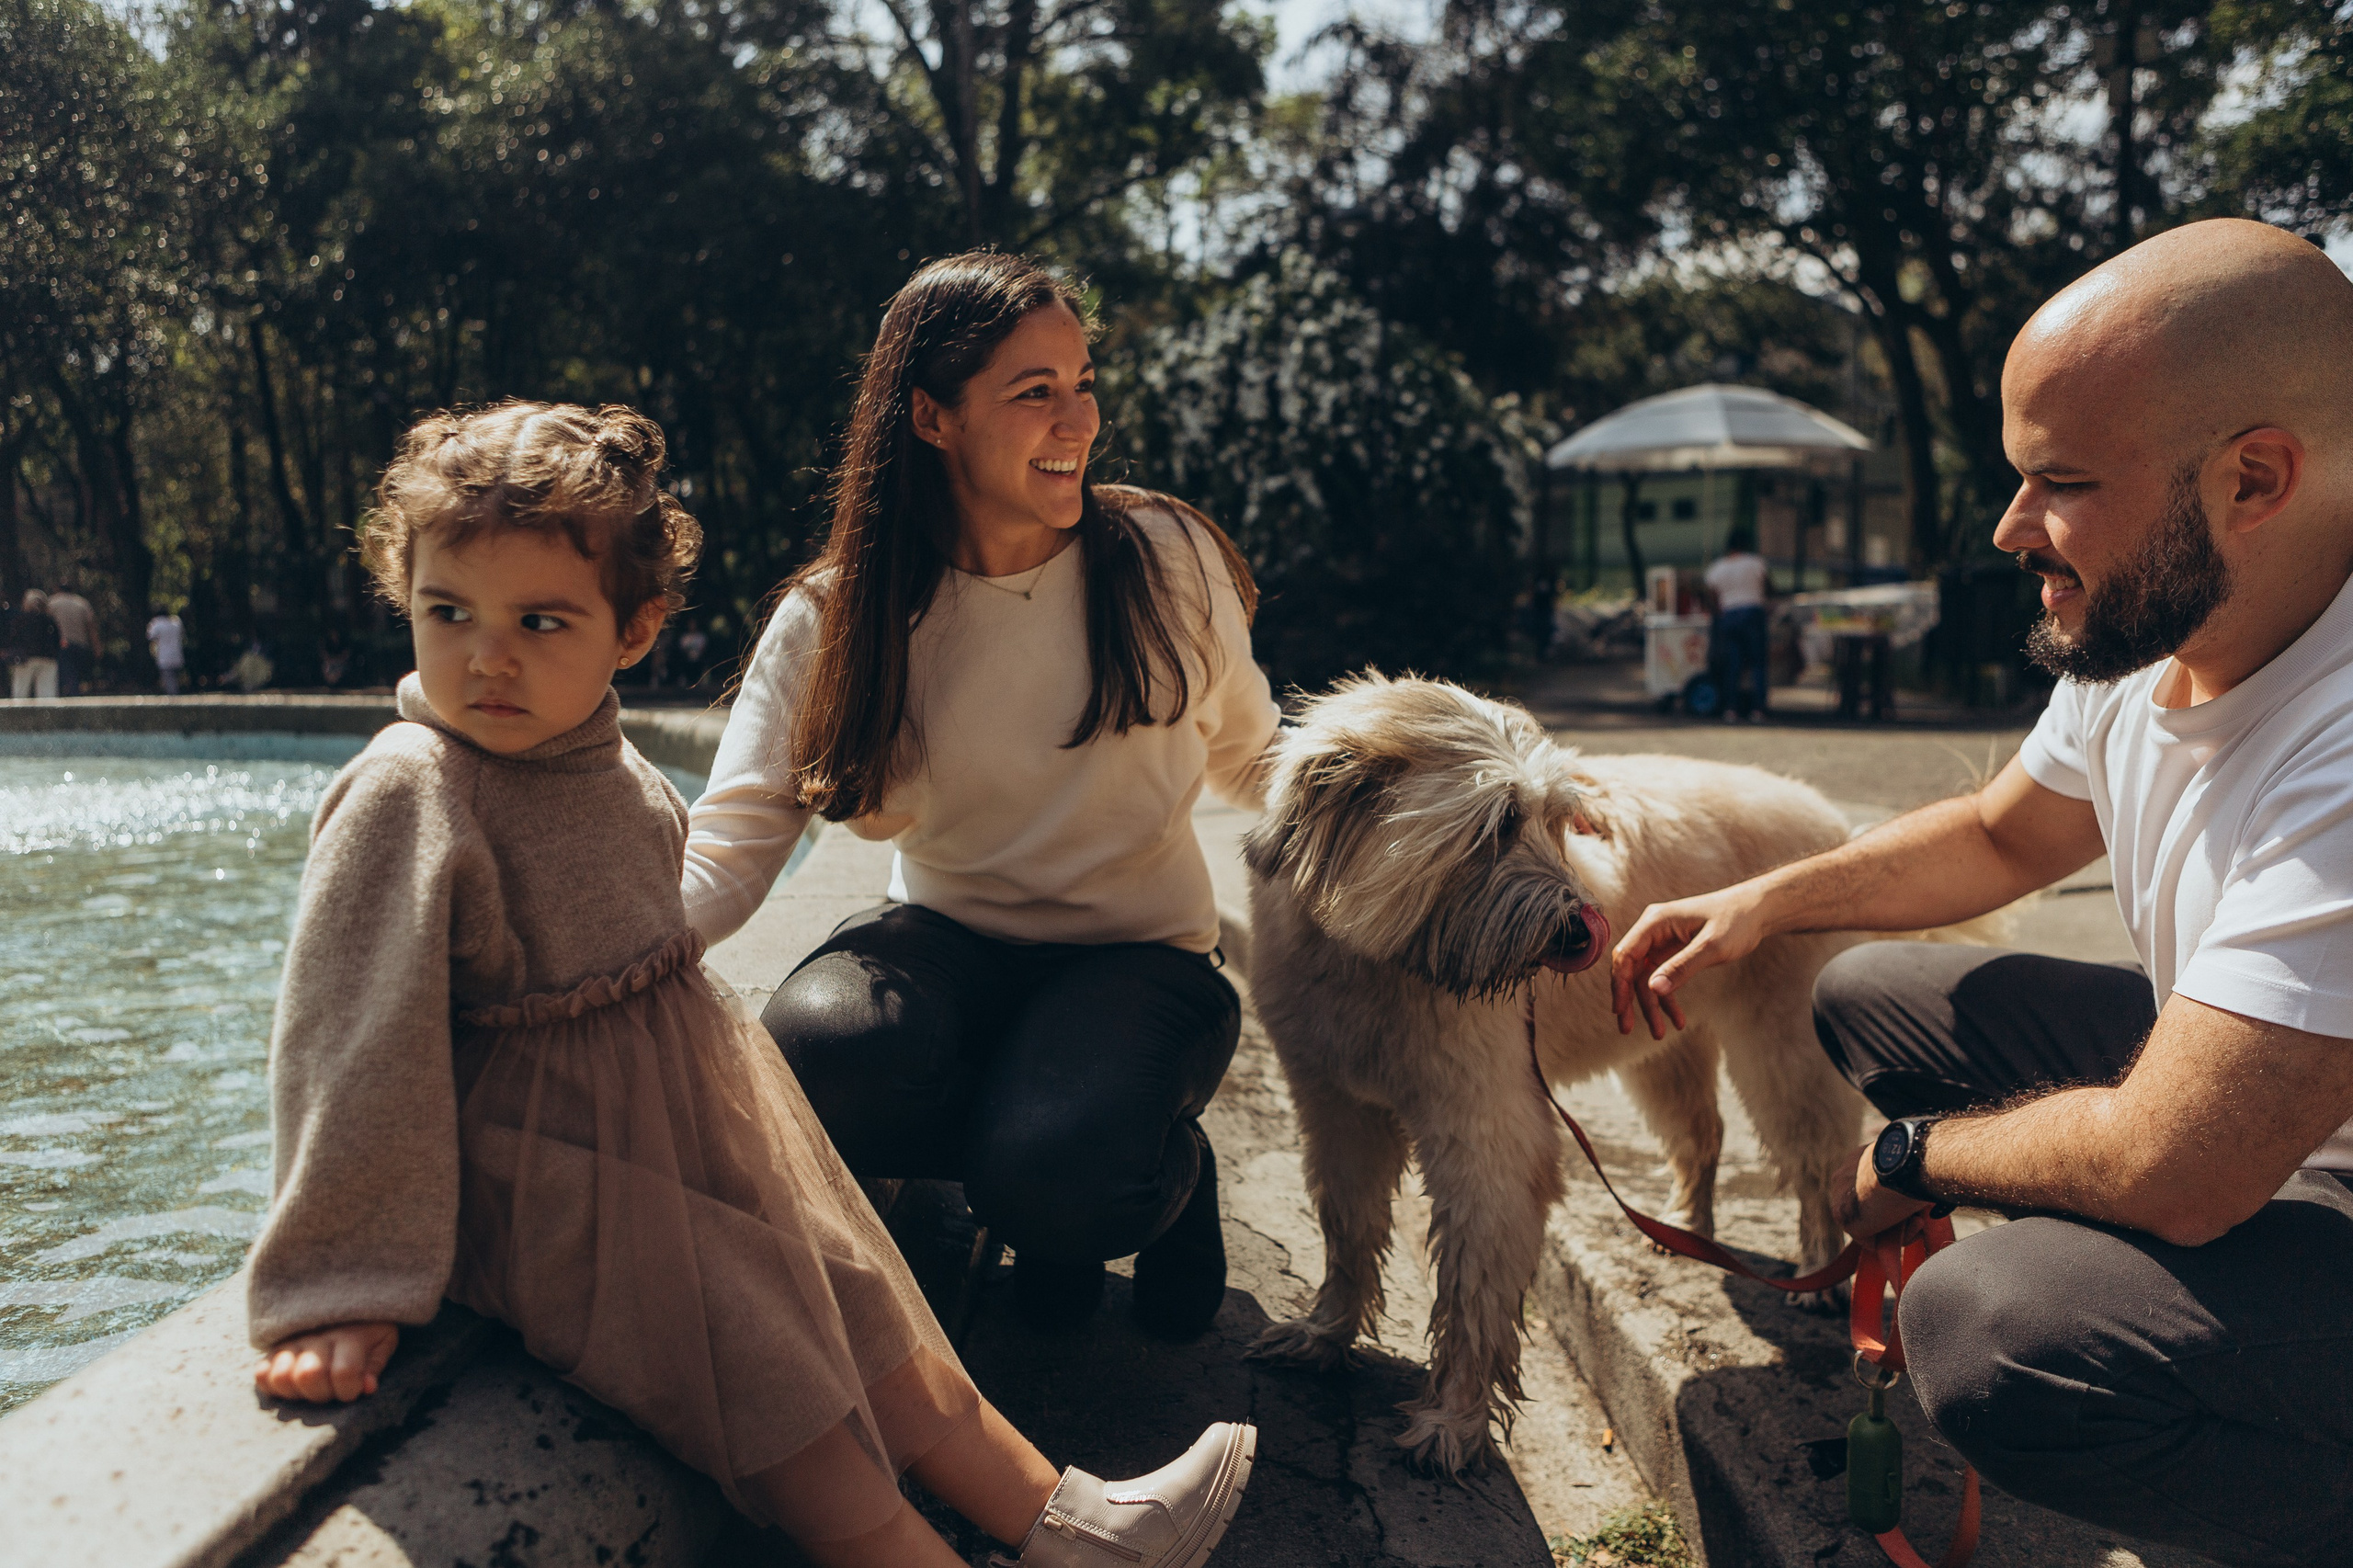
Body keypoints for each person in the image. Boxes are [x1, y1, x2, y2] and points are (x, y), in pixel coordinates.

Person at [244, 401, 1256, 1568]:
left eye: (540, 620)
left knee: (853, 1284)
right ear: (403, 597)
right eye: (447, 612)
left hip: (650, 1127)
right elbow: (348, 1034)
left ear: (634, 630)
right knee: (767, 1359)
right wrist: (345, 1278)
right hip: (543, 1173)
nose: (487, 656)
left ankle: (1067, 1520)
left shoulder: (596, 755)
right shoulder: (411, 787)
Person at [1608, 220, 2353, 1566]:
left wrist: (1911, 1155)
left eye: (2060, 482)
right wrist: (1760, 901)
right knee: (1865, 987)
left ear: (2253, 478)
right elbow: (2003, 836)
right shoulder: (2157, 635)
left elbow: (2180, 1169)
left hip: (2286, 1155)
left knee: (1994, 1330)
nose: (2012, 527)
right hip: (2278, 1106)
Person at [685, 253, 1279, 1340]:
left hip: (1143, 962)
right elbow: (732, 833)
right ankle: (1050, 1156)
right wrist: (602, 959)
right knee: (814, 1061)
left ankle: (1147, 1167)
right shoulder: (839, 615)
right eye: (1033, 391)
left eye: (1082, 382)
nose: (1078, 419)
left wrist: (1421, 816)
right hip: (945, 943)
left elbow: (1256, 760)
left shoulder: (1167, 557)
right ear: (932, 416)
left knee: (1059, 1171)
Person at [1702, 526, 1769, 721]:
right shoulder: (1756, 563)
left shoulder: (1718, 567)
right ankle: (1758, 709)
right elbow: (1768, 587)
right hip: (1753, 613)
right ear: (1746, 545)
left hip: (1729, 615)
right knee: (1757, 663)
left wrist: (1720, 610)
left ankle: (1731, 708)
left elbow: (1712, 595)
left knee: (1733, 664)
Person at [47, 580, 97, 696]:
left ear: (57, 589)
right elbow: (91, 627)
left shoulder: (52, 602)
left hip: (61, 645)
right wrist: (96, 646)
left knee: (66, 676)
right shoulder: (82, 603)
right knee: (77, 676)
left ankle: (70, 698)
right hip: (80, 645)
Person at [9, 589, 62, 699]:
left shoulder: (20, 619)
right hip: (47, 659)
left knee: (20, 693)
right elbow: (57, 640)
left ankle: (18, 711)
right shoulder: (49, 620)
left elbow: (13, 639)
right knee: (47, 694)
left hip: (25, 659)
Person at [146, 607, 187, 695]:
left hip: (164, 655)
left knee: (168, 677)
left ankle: (173, 694)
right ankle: (174, 693)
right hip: (177, 654)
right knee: (174, 677)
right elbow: (182, 634)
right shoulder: (176, 623)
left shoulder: (157, 623)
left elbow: (150, 636)